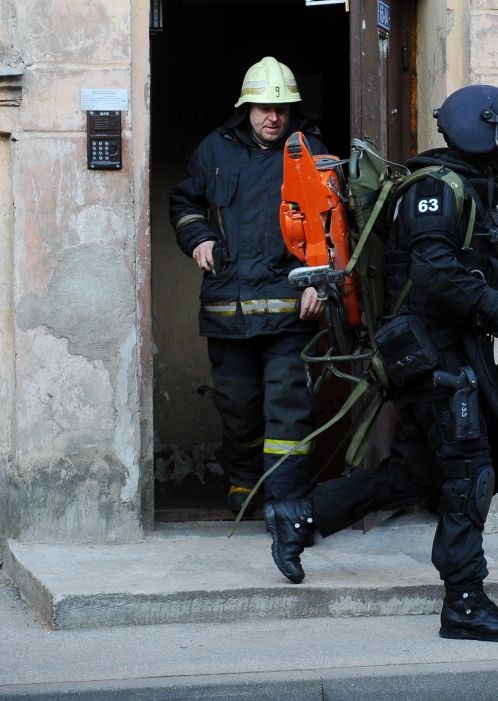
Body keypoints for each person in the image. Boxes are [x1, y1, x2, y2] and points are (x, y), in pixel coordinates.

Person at [263, 85, 498, 642]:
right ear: (475, 129)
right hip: (427, 350)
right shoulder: (435, 190)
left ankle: (301, 514)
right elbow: (436, 274)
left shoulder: (475, 188)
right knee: (467, 470)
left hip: (452, 347)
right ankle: (464, 600)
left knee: (421, 471)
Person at [169, 56, 326, 514]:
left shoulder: (311, 151)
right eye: (263, 108)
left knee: (288, 411)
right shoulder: (214, 150)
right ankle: (244, 486)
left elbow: (334, 225)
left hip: (291, 308)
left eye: (281, 108)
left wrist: (321, 282)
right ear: (246, 108)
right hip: (227, 309)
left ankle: (286, 500)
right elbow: (184, 202)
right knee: (237, 405)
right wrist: (198, 237)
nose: (272, 117)